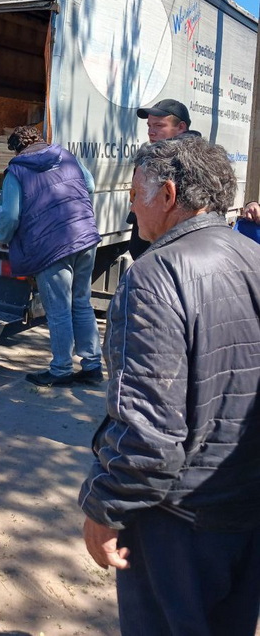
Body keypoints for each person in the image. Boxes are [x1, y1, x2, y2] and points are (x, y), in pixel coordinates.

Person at [79, 136, 260, 636]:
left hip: (179, 521)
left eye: (136, 191)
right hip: (245, 507)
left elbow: (151, 432)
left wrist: (104, 506)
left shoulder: (155, 276)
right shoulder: (254, 258)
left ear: (169, 194)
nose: (131, 203)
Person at [0, 126, 102, 387]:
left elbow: (10, 216)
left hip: (50, 245)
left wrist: (3, 237)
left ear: (17, 148)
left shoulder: (17, 171)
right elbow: (89, 185)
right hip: (84, 235)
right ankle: (92, 365)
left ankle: (61, 369)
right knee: (81, 301)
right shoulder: (67, 156)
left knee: (58, 309)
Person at [128, 98, 194, 259]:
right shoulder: (147, 155)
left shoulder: (192, 160)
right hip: (145, 245)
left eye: (159, 126)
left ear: (181, 127)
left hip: (170, 251)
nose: (151, 132)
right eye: (149, 126)